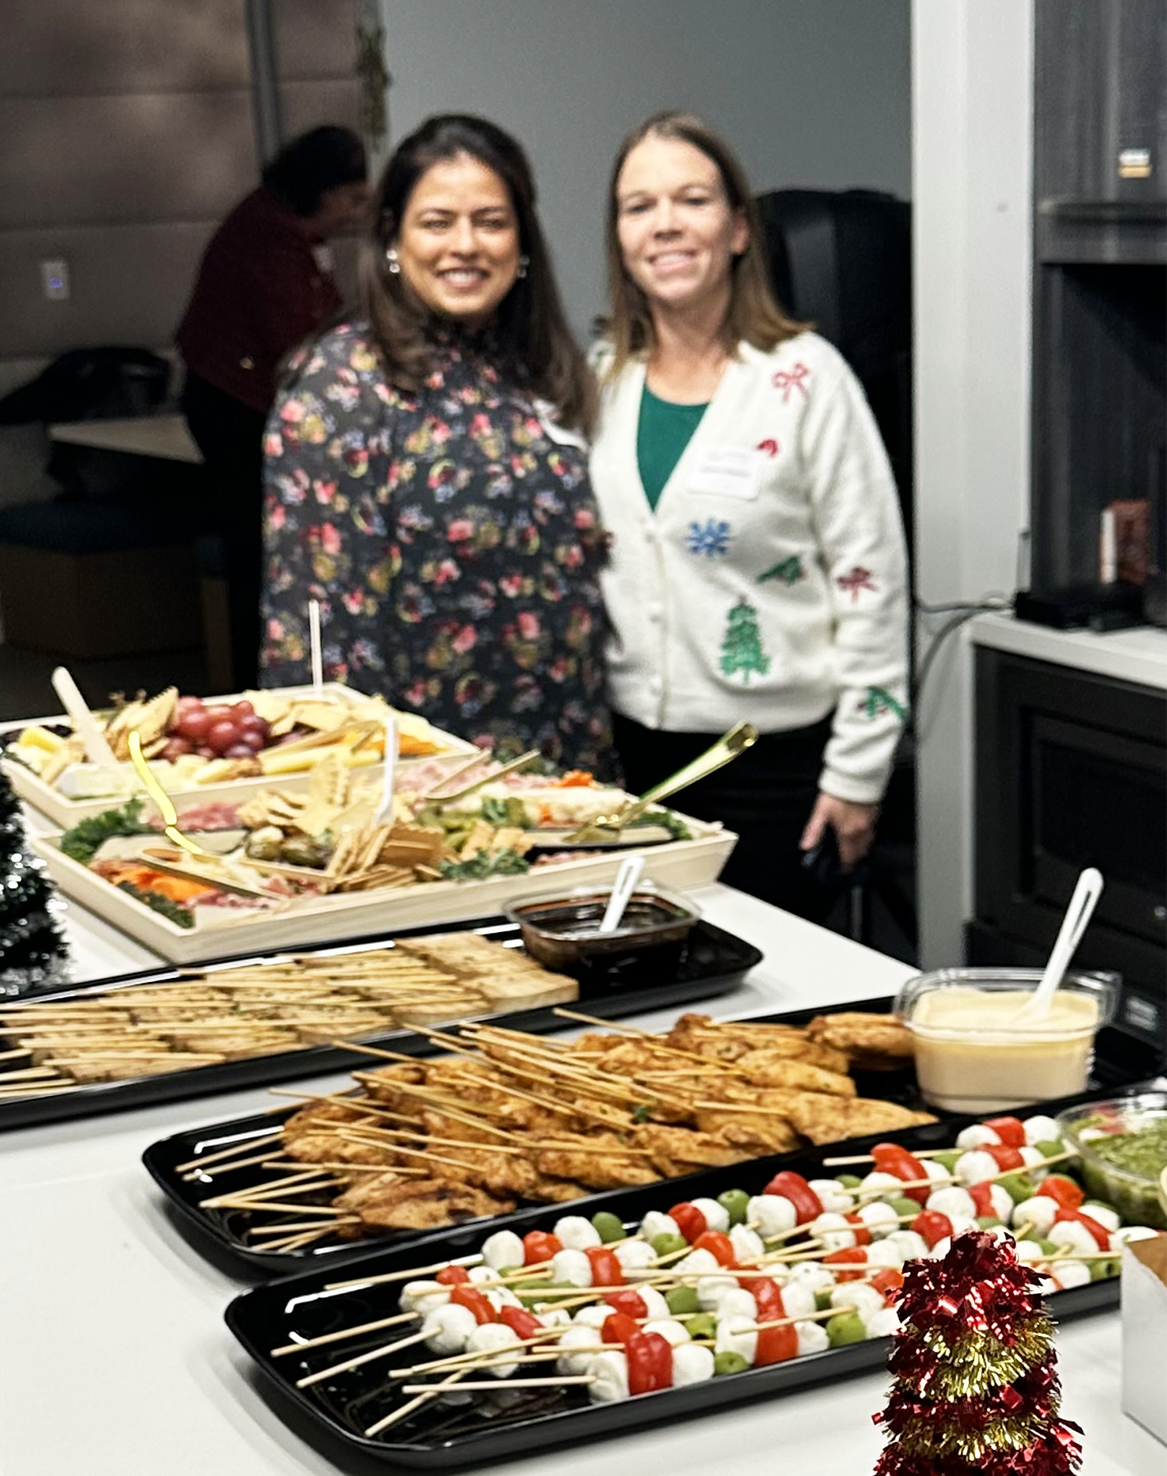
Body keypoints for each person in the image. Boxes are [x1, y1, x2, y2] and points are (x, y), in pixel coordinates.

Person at [589, 111, 909, 920]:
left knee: (774, 1024)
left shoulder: (806, 379)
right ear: (620, 236)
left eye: (691, 199)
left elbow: (873, 583)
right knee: (653, 1022)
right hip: (630, 760)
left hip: (776, 769)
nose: (665, 223)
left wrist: (858, 774)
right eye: (640, 205)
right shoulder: (598, 380)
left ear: (736, 230)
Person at [258, 113, 615, 776]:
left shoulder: (545, 370)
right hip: (422, 791)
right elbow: (315, 628)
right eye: (437, 222)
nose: (465, 244)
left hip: (568, 769)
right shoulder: (340, 387)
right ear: (392, 237)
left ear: (523, 240)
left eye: (490, 221)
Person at [177, 125, 368, 689]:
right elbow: (292, 342)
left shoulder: (288, 231)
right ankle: (252, 685)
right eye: (353, 198)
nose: (355, 213)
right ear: (325, 192)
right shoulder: (268, 238)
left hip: (239, 397)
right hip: (234, 405)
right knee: (258, 553)